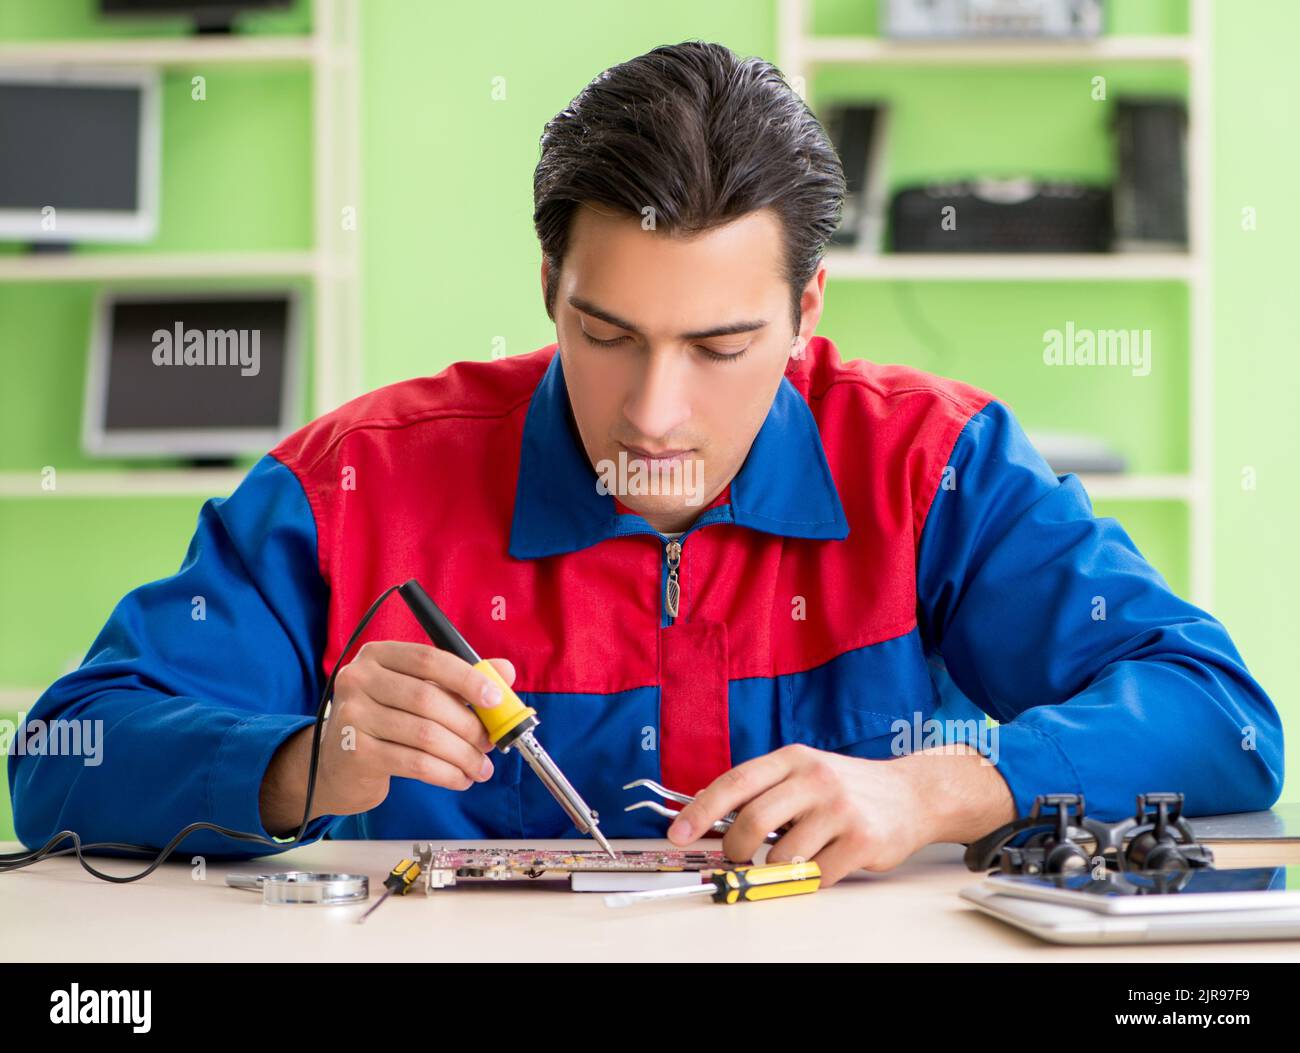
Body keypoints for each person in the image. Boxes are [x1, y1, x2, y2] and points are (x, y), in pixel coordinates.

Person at [9, 41, 1282, 887]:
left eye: (721, 346)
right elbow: (63, 752)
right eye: (606, 335)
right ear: (549, 291)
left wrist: (941, 790)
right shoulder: (354, 483)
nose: (654, 416)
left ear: (805, 312)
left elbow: (1222, 717)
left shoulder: (930, 465)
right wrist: (303, 765)